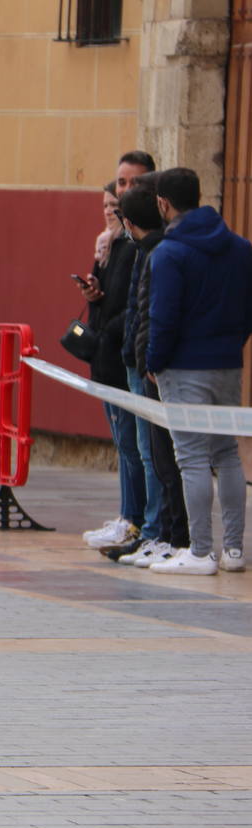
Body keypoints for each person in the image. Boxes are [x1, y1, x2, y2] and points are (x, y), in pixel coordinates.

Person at [146, 167, 252, 575]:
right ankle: (235, 551)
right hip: (227, 363)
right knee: (226, 454)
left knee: (191, 457)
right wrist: (231, 344)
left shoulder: (169, 253)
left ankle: (201, 551)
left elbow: (163, 317)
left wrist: (155, 362)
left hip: (183, 367)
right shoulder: (240, 248)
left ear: (163, 203)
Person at [123, 179, 191, 569]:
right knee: (161, 456)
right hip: (154, 362)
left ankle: (169, 535)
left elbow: (152, 314)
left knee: (163, 457)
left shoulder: (158, 255)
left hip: (155, 368)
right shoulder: (156, 252)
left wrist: (149, 360)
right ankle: (164, 532)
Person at [79, 173, 145, 551]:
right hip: (104, 356)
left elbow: (131, 307)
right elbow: (107, 302)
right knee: (124, 444)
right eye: (104, 206)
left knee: (133, 446)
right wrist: (93, 294)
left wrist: (107, 332)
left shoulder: (133, 249)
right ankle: (127, 515)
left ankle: (135, 520)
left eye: (114, 207)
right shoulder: (106, 247)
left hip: (120, 358)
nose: (108, 212)